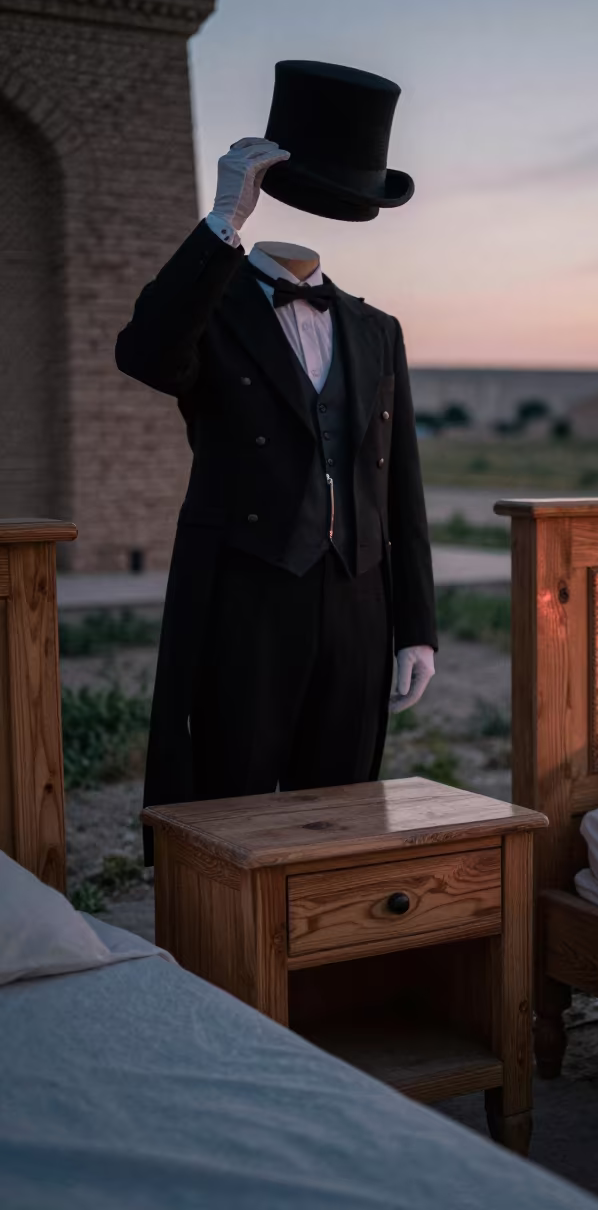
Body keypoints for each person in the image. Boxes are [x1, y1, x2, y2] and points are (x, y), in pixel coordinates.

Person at [115, 62, 437, 863]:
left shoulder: (375, 328)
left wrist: (417, 626)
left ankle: (322, 970)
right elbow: (146, 356)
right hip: (246, 590)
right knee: (232, 798)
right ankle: (221, 966)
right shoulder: (210, 309)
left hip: (359, 598)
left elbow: (401, 485)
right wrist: (225, 219)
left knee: (343, 810)